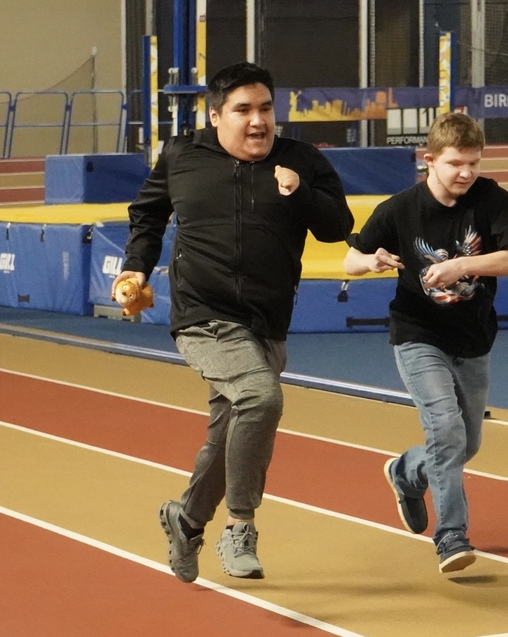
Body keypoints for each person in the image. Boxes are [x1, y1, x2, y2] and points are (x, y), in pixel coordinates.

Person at [113, 62, 354, 583]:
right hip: (203, 314)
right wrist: (134, 266)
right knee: (261, 399)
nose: (258, 121)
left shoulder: (301, 160)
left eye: (266, 109)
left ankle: (186, 518)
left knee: (231, 433)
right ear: (216, 115)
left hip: (267, 322)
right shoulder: (182, 155)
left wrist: (301, 193)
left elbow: (339, 227)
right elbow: (148, 215)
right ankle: (240, 526)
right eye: (244, 110)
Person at [343, 112, 508, 573]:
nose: (465, 173)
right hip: (417, 333)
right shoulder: (399, 208)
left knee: (465, 444)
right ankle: (451, 536)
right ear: (429, 161)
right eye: (454, 164)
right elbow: (350, 259)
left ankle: (406, 473)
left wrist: (462, 267)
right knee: (445, 431)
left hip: (474, 337)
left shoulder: (493, 200)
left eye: (473, 163)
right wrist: (372, 260)